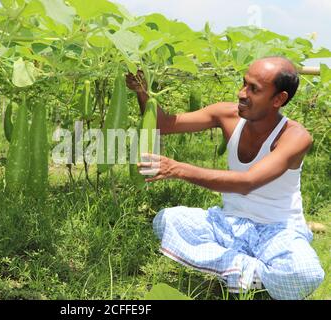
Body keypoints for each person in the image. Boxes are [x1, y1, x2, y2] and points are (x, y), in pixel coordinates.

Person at [126, 56, 325, 300]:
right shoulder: (227, 114)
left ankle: (233, 269)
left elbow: (247, 182)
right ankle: (246, 269)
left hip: (278, 230)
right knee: (166, 220)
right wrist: (143, 91)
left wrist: (177, 169)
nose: (242, 93)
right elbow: (163, 123)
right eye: (244, 83)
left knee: (306, 274)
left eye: (254, 89)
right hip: (229, 225)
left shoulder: (295, 136)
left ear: (279, 99)